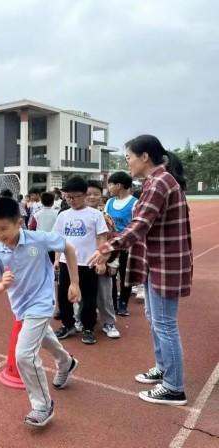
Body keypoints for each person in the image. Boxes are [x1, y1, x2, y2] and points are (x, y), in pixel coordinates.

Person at [89, 134, 192, 406]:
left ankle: (173, 387)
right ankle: (164, 368)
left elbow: (139, 224)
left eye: (129, 158)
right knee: (154, 318)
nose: (128, 163)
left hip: (164, 263)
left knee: (165, 324)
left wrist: (108, 247)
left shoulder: (159, 182)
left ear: (144, 156)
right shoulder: (157, 181)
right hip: (155, 262)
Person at [0, 196, 81, 428]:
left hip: (42, 302)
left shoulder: (38, 240)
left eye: (3, 229)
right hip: (21, 306)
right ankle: (66, 362)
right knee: (44, 337)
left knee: (24, 355)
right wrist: (2, 285)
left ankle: (42, 405)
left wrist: (74, 282)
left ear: (19, 223)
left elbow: (68, 246)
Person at [53, 176, 108, 345]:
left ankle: (88, 328)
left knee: (89, 297)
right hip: (66, 263)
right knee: (63, 296)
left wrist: (101, 260)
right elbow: (58, 239)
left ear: (84, 194)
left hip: (88, 263)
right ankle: (68, 324)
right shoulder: (63, 215)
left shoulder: (95, 215)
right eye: (67, 197)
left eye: (74, 196)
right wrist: (56, 259)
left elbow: (102, 237)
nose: (71, 200)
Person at [85, 181, 120, 338]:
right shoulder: (73, 215)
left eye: (96, 194)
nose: (92, 197)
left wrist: (112, 262)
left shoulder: (106, 217)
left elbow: (114, 241)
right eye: (88, 193)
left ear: (101, 196)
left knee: (104, 295)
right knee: (81, 295)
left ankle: (109, 322)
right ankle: (80, 320)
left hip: (101, 263)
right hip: (82, 263)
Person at [105, 171, 138, 316]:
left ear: (119, 185)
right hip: (112, 245)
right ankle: (112, 302)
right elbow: (105, 221)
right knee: (110, 275)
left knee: (125, 275)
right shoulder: (109, 202)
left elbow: (136, 225)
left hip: (127, 246)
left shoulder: (135, 203)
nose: (109, 187)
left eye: (110, 184)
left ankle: (123, 303)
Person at [28, 191, 59, 263]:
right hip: (54, 242)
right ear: (52, 202)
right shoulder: (58, 214)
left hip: (40, 242)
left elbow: (32, 228)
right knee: (52, 262)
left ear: (41, 202)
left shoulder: (36, 215)